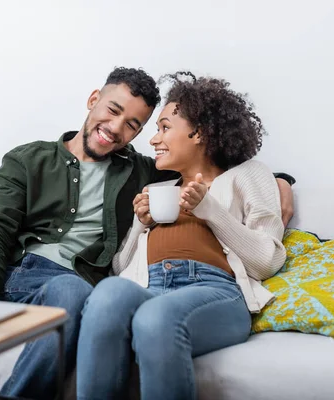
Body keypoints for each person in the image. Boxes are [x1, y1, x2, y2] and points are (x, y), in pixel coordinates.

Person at [0, 68, 295, 400]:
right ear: (94, 100)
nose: (121, 129)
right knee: (104, 294)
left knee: (100, 296)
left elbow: (217, 177)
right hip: (34, 276)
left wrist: (279, 180)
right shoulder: (34, 160)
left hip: (182, 286)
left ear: (199, 133)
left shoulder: (151, 172)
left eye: (139, 125)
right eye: (113, 110)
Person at [76, 71, 288, 400]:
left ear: (198, 133)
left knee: (155, 318)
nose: (153, 139)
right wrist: (140, 224)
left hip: (214, 291)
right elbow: (121, 269)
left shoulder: (247, 174)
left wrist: (210, 209)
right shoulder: (157, 191)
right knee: (107, 294)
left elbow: (267, 260)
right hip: (151, 288)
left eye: (163, 128)